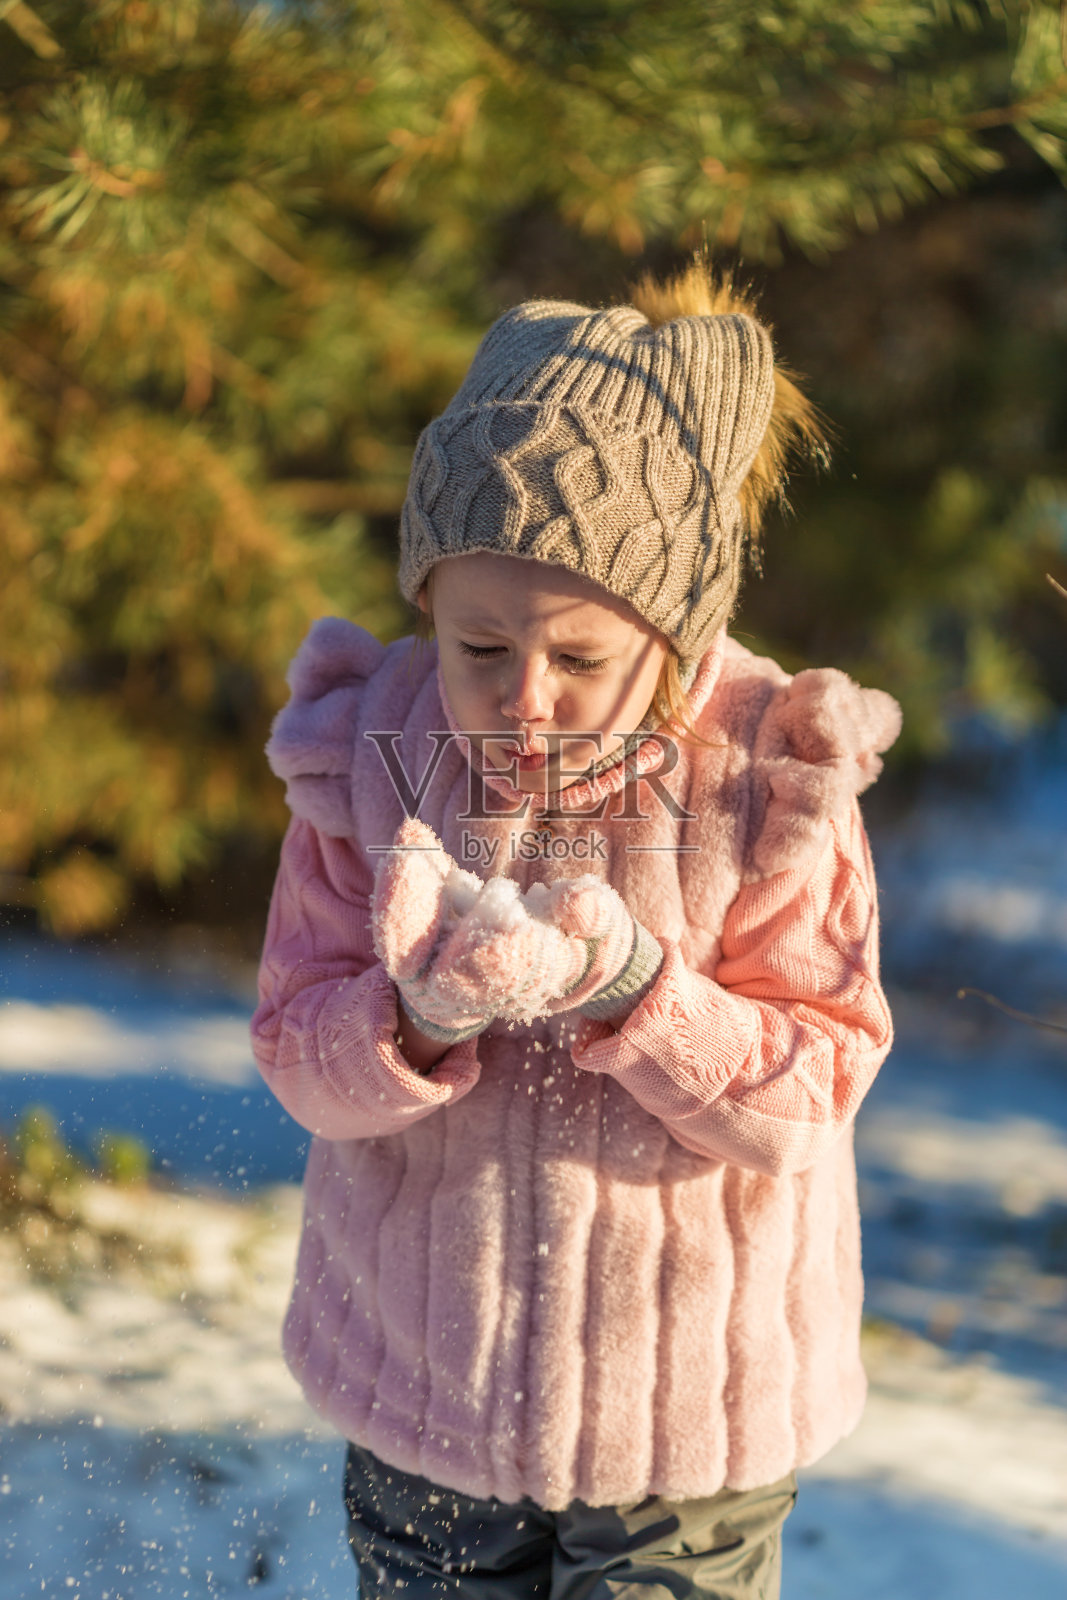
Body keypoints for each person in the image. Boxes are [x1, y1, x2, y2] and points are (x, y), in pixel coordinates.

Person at [250, 261, 901, 1598]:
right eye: (479, 647)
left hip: (685, 1427)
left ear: (676, 628)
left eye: (581, 659)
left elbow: (816, 1085)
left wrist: (638, 985)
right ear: (427, 601)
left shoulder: (767, 776)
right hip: (425, 1387)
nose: (523, 699)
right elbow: (293, 1045)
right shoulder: (369, 750)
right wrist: (412, 1018)